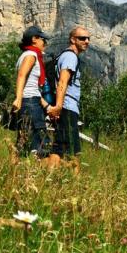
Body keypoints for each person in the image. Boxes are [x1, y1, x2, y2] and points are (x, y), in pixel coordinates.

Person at [49, 26, 90, 158]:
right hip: (67, 107)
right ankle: (76, 179)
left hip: (65, 107)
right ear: (73, 40)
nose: (87, 41)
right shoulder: (70, 57)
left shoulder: (65, 55)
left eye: (88, 38)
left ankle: (47, 177)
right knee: (73, 153)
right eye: (82, 38)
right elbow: (62, 82)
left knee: (59, 150)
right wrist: (59, 107)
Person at [11, 25, 53, 157]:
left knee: (23, 141)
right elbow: (22, 76)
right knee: (42, 144)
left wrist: (46, 105)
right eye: (42, 39)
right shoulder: (31, 55)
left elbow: (31, 86)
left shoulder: (24, 55)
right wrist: (18, 98)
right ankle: (41, 174)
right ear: (34, 39)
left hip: (29, 101)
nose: (45, 43)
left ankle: (13, 172)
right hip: (30, 103)